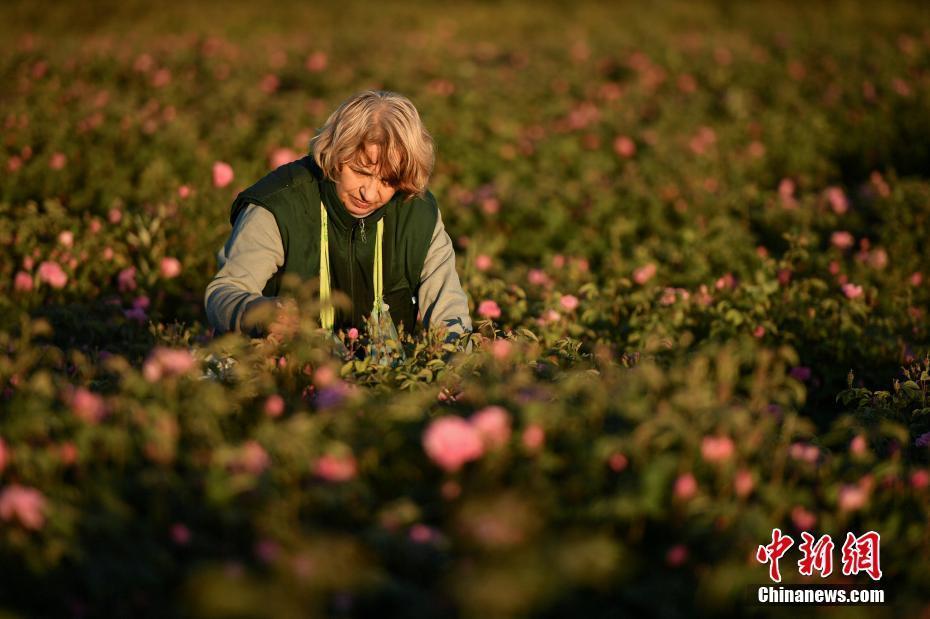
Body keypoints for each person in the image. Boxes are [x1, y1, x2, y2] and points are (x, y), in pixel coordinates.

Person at [204, 90, 472, 351]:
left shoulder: (418, 213)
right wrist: (259, 313)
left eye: (388, 181)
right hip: (277, 374)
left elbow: (449, 313)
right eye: (359, 171)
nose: (369, 192)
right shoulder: (279, 205)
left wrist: (456, 369)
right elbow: (224, 293)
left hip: (382, 380)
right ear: (335, 153)